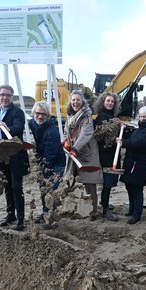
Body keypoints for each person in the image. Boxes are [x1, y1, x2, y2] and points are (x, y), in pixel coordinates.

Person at [0, 84, 29, 231]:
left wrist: (6, 127)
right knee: (7, 186)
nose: (5, 98)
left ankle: (21, 219)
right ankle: (11, 215)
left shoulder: (17, 112)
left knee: (16, 186)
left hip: (14, 155)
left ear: (12, 97)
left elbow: (18, 128)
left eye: (8, 95)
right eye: (2, 95)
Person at [63, 89, 102, 220]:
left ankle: (94, 211)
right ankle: (73, 209)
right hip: (74, 152)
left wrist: (74, 147)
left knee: (90, 182)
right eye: (73, 100)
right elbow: (66, 131)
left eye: (78, 100)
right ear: (70, 101)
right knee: (70, 181)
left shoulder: (86, 115)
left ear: (82, 101)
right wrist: (65, 142)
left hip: (86, 152)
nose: (75, 102)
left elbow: (86, 133)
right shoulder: (69, 115)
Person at [117, 105, 146, 224]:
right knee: (129, 186)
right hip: (131, 162)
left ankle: (137, 214)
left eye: (144, 116)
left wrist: (124, 142)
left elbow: (139, 143)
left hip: (139, 163)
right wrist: (123, 131)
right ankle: (132, 209)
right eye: (140, 116)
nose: (141, 119)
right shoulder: (140, 128)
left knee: (136, 189)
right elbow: (132, 138)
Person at [29, 101, 66, 227]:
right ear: (33, 113)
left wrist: (44, 170)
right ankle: (45, 213)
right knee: (43, 191)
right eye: (37, 113)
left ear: (48, 115)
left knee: (51, 190)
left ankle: (52, 218)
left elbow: (51, 154)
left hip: (56, 163)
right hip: (43, 160)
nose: (40, 116)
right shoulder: (32, 123)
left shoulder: (52, 131)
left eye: (43, 114)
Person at [92, 92, 120, 221]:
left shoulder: (112, 117)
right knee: (108, 182)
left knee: (108, 182)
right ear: (103, 102)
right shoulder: (102, 117)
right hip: (106, 155)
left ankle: (105, 203)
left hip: (112, 153)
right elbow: (99, 137)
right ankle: (105, 210)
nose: (110, 103)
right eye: (108, 101)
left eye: (112, 102)